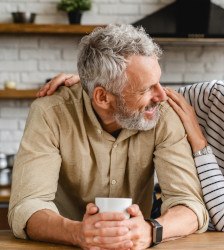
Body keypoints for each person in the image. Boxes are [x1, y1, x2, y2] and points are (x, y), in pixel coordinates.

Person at [37, 26, 224, 231]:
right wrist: (94, 80)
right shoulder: (214, 96)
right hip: (190, 231)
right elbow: (142, 95)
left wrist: (199, 142)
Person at [8, 24, 208, 250]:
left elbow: (190, 206)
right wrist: (77, 233)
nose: (161, 95)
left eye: (158, 82)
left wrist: (152, 231)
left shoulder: (162, 114)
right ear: (102, 97)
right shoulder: (50, 113)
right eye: (145, 89)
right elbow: (26, 207)